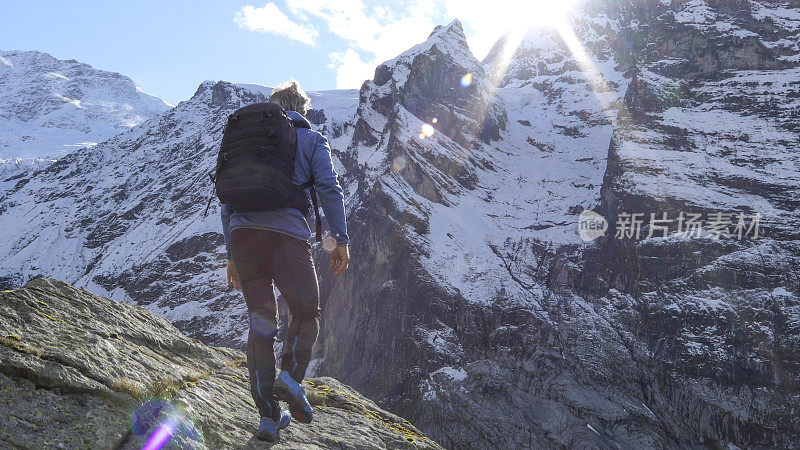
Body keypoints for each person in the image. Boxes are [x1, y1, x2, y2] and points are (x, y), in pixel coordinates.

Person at [220, 80, 350, 441]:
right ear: (302, 109)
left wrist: (231, 252)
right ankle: (291, 378)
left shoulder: (250, 140)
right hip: (287, 239)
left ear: (272, 107)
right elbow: (327, 186)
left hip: (244, 238)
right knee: (306, 311)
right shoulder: (310, 138)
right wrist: (340, 238)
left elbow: (226, 199)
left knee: (261, 326)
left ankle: (267, 419)